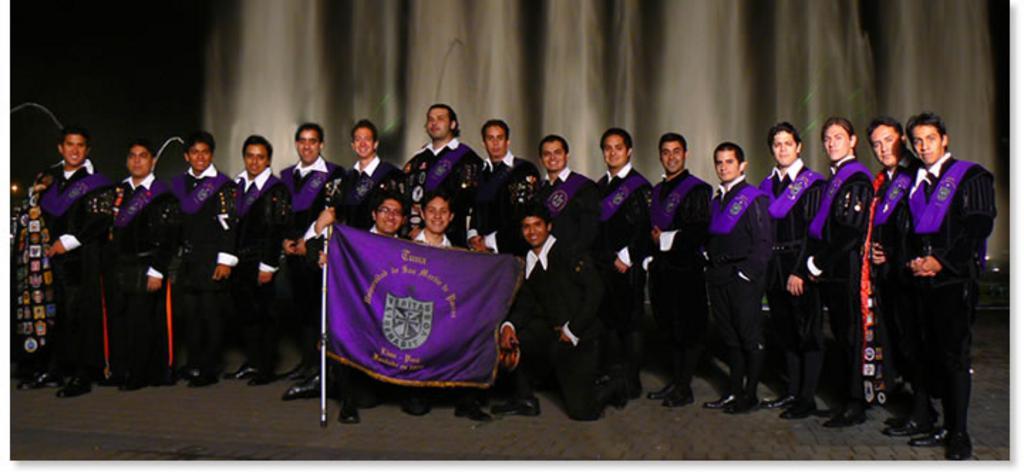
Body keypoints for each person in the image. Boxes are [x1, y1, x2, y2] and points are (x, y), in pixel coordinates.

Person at [902, 112, 995, 460]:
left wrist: (941, 261)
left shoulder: (971, 176)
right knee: (928, 355)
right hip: (921, 281)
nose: (924, 146)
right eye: (918, 141)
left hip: (954, 281)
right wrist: (913, 260)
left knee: (954, 357)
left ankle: (959, 433)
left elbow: (979, 227)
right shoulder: (915, 181)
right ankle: (936, 422)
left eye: (930, 139)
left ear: (945, 139)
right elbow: (909, 231)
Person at [491, 204, 627, 421]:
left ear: (549, 227)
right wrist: (509, 326)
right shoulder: (528, 260)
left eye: (537, 225)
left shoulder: (570, 251)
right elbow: (526, 302)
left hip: (581, 334)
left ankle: (616, 383)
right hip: (553, 331)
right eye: (526, 226)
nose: (532, 232)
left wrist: (573, 330)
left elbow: (595, 291)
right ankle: (525, 399)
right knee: (519, 337)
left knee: (583, 412)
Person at [796, 117, 874, 427]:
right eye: (827, 138)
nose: (831, 143)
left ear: (852, 141)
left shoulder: (857, 178)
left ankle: (856, 404)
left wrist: (818, 263)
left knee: (852, 337)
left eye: (838, 137)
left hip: (847, 270)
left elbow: (850, 232)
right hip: (835, 270)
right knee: (842, 336)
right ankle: (847, 399)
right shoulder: (837, 177)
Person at [307, 191, 408, 424]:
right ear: (374, 214)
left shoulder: (408, 248)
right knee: (341, 331)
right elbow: (310, 252)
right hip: (359, 320)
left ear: (404, 219)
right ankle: (346, 402)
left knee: (377, 396)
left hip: (390, 324)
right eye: (384, 210)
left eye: (396, 213)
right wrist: (320, 239)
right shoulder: (353, 241)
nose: (390, 216)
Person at [31, 126, 115, 397]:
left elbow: (101, 219)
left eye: (80, 145)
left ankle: (82, 374)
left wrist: (67, 241)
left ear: (87, 150)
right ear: (61, 148)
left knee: (79, 315)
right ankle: (56, 368)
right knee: (53, 313)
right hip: (50, 260)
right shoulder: (51, 180)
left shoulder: (97, 182)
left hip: (82, 259)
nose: (75, 150)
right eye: (70, 144)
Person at [864, 117, 933, 436]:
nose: (883, 149)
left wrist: (892, 253)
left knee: (917, 344)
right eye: (876, 144)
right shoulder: (886, 179)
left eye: (888, 140)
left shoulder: (916, 174)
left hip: (912, 276)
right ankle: (918, 408)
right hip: (891, 275)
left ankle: (924, 412)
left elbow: (920, 226)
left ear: (902, 140)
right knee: (903, 343)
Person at [756, 123, 827, 419]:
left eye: (788, 143)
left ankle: (807, 399)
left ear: (799, 147)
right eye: (777, 144)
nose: (782, 149)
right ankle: (792, 391)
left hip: (799, 265)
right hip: (774, 267)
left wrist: (801, 270)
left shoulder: (814, 184)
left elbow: (816, 232)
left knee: (808, 333)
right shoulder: (766, 185)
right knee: (785, 332)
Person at [103, 139, 181, 391]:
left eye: (143, 156)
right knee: (119, 321)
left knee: (142, 323)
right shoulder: (117, 192)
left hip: (147, 266)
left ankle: (139, 374)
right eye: (132, 156)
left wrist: (157, 269)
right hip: (119, 266)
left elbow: (170, 238)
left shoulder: (163, 195)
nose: (137, 161)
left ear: (153, 161)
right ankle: (120, 370)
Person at [702, 142, 773, 414]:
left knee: (749, 337)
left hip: (741, 278)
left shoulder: (754, 198)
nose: (723, 167)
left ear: (742, 165)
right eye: (719, 162)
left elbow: (763, 242)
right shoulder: (716, 200)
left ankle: (750, 395)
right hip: (718, 277)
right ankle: (734, 392)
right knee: (730, 339)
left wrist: (746, 275)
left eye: (729, 161)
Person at [643, 132, 712, 408]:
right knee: (668, 327)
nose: (671, 157)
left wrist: (665, 239)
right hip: (662, 271)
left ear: (685, 154)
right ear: (660, 156)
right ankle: (675, 381)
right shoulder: (656, 191)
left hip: (686, 270)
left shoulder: (698, 190)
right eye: (666, 152)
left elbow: (699, 231)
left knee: (688, 328)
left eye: (676, 151)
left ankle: (684, 387)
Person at [279, 123, 345, 400]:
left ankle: (319, 367)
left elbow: (332, 212)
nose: (307, 146)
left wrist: (307, 239)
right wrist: (284, 240)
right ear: (297, 144)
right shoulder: (286, 176)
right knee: (302, 309)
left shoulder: (335, 174)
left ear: (321, 145)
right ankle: (306, 363)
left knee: (320, 311)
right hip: (293, 252)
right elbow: (282, 213)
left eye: (313, 141)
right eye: (303, 141)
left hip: (317, 252)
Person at [170, 130, 238, 388]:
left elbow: (230, 226)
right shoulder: (178, 183)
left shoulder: (223, 186)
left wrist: (225, 261)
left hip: (212, 258)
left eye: (205, 152)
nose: (200, 157)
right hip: (188, 259)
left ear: (212, 155)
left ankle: (209, 368)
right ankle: (194, 363)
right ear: (186, 156)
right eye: (195, 152)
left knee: (211, 315)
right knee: (190, 315)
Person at [227, 135, 291, 386]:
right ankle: (252, 361)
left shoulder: (277, 189)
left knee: (266, 315)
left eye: (260, 157)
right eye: (250, 156)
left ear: (268, 161)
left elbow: (277, 229)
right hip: (239, 261)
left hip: (261, 260)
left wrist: (268, 264)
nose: (254, 162)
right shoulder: (237, 185)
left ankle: (266, 368)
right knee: (246, 314)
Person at [593, 128, 651, 399]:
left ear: (629, 151)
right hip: (604, 265)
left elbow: (646, 226)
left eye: (618, 147)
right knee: (608, 322)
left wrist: (627, 256)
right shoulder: (600, 186)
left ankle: (632, 380)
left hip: (628, 266)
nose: (612, 152)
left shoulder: (639, 186)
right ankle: (613, 376)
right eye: (608, 148)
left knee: (631, 324)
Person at [403, 104, 481, 247]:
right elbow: (408, 198)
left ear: (453, 124)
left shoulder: (467, 159)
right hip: (415, 239)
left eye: (440, 118)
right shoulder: (417, 159)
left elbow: (470, 202)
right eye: (430, 119)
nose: (434, 123)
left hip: (451, 240)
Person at [467, 119, 540, 255]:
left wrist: (488, 241)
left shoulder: (524, 169)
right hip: (480, 252)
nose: (495, 143)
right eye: (490, 138)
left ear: (507, 142)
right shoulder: (480, 171)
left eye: (499, 138)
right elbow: (476, 209)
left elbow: (524, 216)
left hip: (512, 249)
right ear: (484, 143)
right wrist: (473, 236)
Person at [533, 135, 599, 258]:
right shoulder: (538, 189)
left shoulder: (585, 187)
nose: (552, 158)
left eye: (557, 152)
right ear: (541, 159)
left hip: (573, 259)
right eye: (547, 154)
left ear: (566, 155)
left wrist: (571, 256)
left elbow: (589, 231)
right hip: (543, 259)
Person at [338, 119, 405, 231]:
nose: (362, 144)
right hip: (351, 237)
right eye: (358, 140)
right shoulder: (347, 177)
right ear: (353, 145)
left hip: (379, 238)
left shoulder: (393, 174)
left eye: (367, 139)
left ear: (375, 144)